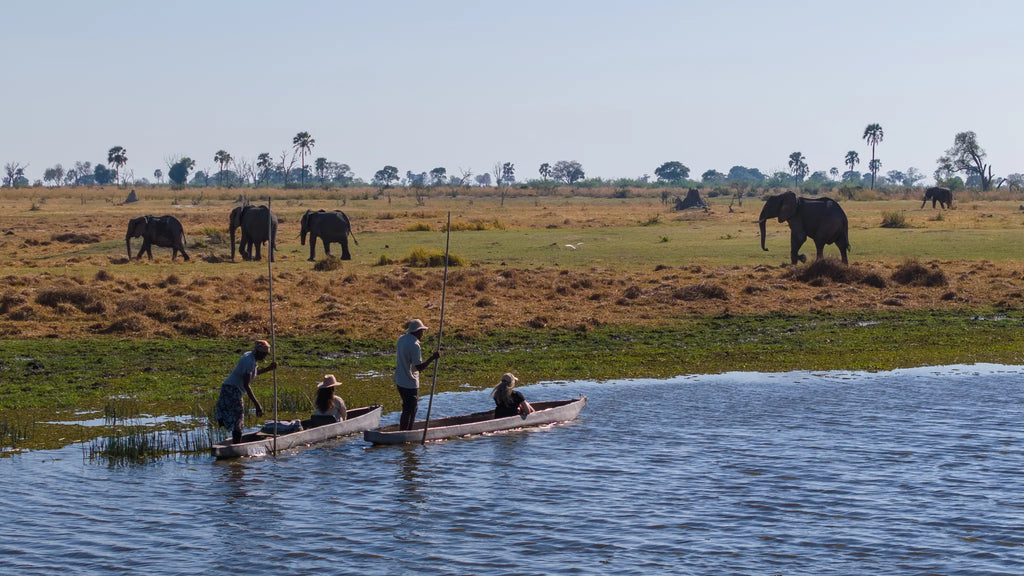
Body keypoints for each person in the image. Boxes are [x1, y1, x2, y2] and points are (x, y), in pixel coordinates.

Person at [215, 340, 277, 444]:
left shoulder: (250, 356)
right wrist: (257, 405)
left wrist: (269, 369)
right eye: (264, 354)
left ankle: (234, 442)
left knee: (236, 419)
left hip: (229, 388)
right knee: (239, 419)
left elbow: (254, 373)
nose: (264, 357)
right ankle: (236, 446)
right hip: (232, 390)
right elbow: (246, 384)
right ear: (258, 352)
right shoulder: (249, 361)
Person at [394, 318, 440, 430]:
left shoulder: (401, 339)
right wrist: (432, 358)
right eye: (422, 331)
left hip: (399, 380)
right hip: (410, 382)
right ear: (417, 331)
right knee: (411, 409)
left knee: (407, 408)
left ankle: (405, 430)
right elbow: (419, 367)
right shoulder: (414, 345)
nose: (422, 334)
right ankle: (406, 432)